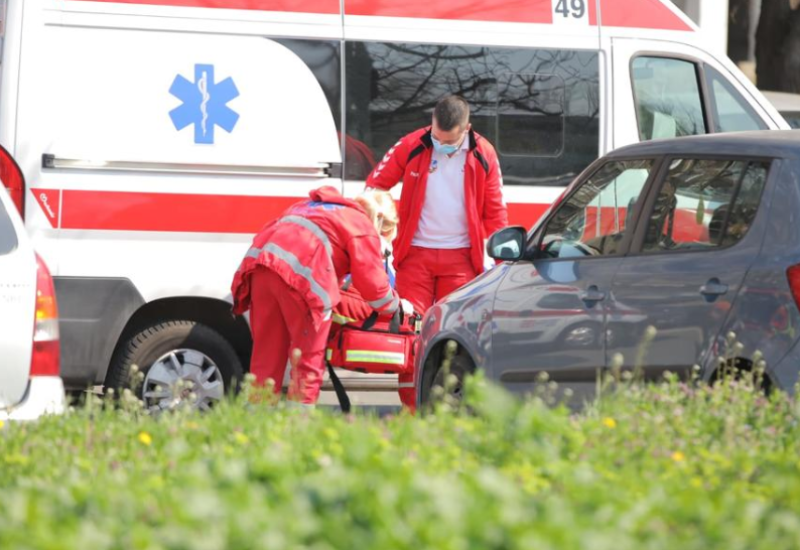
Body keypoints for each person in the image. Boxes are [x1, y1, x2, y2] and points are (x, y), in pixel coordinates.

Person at [366, 95, 508, 409]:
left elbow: (495, 214)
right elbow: (375, 188)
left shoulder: (483, 153)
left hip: (461, 262)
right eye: (435, 137)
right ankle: (412, 409)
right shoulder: (413, 144)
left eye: (448, 141)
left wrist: (503, 264)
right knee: (411, 338)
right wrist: (381, 232)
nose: (440, 144)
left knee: (455, 340)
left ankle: (449, 408)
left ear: (467, 129)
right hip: (414, 257)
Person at [231, 185, 410, 407]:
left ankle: (253, 428)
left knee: (265, 361)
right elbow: (373, 288)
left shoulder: (313, 206)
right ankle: (298, 428)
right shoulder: (361, 226)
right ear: (383, 228)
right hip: (303, 282)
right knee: (307, 364)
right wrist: (397, 308)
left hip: (261, 271)